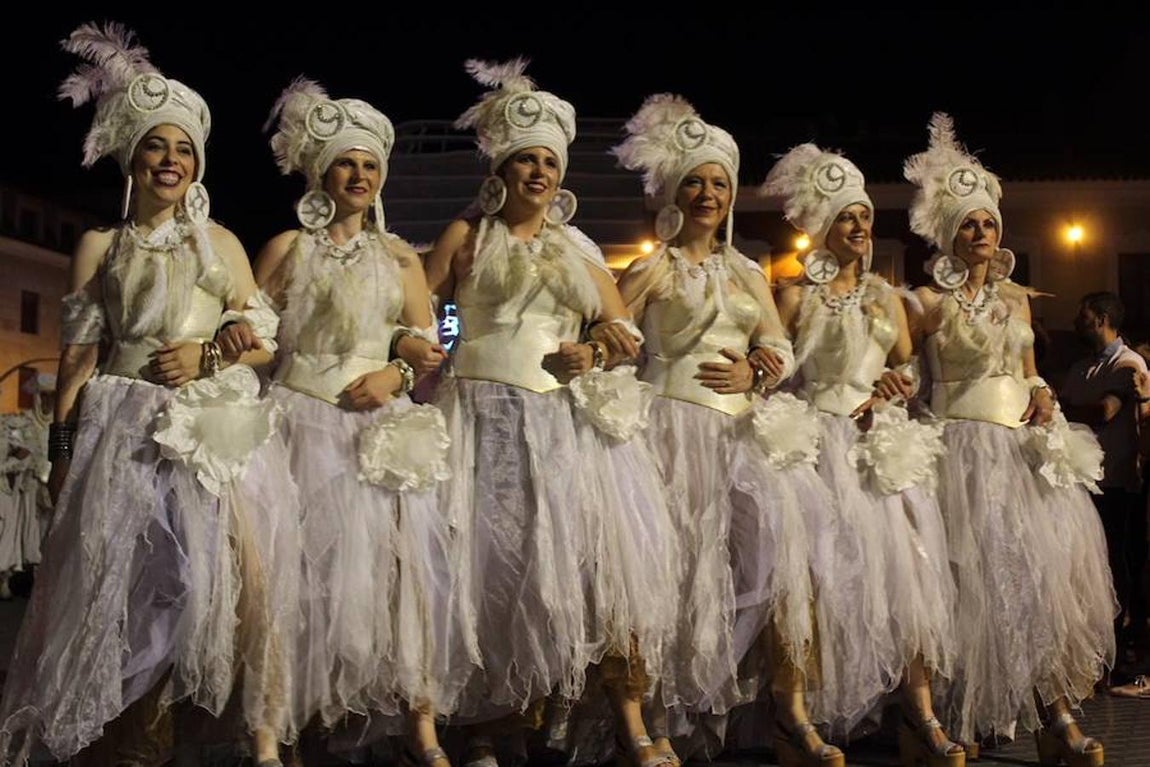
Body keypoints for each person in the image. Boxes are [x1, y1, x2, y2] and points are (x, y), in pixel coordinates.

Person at [0, 22, 292, 767]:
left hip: (201, 431)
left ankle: (179, 720)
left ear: (199, 163)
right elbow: (75, 359)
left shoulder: (220, 243)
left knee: (203, 582)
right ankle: (127, 736)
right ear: (132, 156)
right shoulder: (101, 245)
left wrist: (210, 349)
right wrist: (59, 454)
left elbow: (263, 338)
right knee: (118, 585)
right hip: (119, 426)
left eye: (185, 148)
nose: (171, 159)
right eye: (158, 145)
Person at [423, 58, 679, 767]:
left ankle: (613, 722)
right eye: (525, 160)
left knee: (579, 567)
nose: (538, 172)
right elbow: (427, 316)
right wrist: (448, 350)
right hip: (477, 416)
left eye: (548, 162)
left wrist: (590, 355)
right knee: (487, 568)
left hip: (558, 423)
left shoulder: (579, 250)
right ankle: (482, 723)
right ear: (499, 170)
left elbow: (621, 331)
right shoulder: (465, 237)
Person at [610, 94, 843, 767]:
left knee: (773, 563)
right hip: (665, 433)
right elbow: (612, 334)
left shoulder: (747, 271)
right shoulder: (651, 266)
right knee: (664, 574)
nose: (708, 192)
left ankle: (779, 710)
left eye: (719, 182)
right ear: (675, 192)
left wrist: (759, 370)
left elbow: (778, 344)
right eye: (696, 181)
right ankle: (643, 718)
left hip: (739, 439)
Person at [235, 76, 462, 765]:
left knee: (398, 577)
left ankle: (420, 727)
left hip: (378, 428)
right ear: (319, 172)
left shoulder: (400, 257)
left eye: (369, 164)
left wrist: (397, 372)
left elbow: (428, 342)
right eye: (345, 162)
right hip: (300, 423)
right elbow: (256, 333)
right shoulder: (285, 248)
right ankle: (278, 730)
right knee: (295, 575)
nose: (359, 175)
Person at [902, 113, 1116, 766]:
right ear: (949, 232)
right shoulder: (921, 300)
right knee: (963, 588)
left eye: (989, 222)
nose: (981, 233)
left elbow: (1025, 374)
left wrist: (1045, 393)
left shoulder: (1016, 300)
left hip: (1017, 453)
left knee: (1033, 580)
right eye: (968, 223)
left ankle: (1055, 714)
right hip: (957, 451)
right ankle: (940, 718)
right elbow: (904, 373)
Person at [759, 144, 962, 766]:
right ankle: (796, 717)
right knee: (812, 580)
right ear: (823, 227)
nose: (859, 227)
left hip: (879, 449)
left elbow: (906, 365)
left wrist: (898, 386)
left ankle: (917, 713)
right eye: (846, 217)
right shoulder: (793, 297)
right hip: (818, 448)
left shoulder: (887, 299)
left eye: (865, 216)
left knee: (905, 577)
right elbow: (779, 374)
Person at [1060, 291, 1150, 682]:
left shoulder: (1128, 363)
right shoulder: (1082, 366)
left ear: (1099, 318)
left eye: (1082, 315)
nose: (1076, 322)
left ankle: (1117, 650)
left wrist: (1067, 412)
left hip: (1115, 480)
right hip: (1082, 480)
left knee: (1115, 566)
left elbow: (1104, 412)